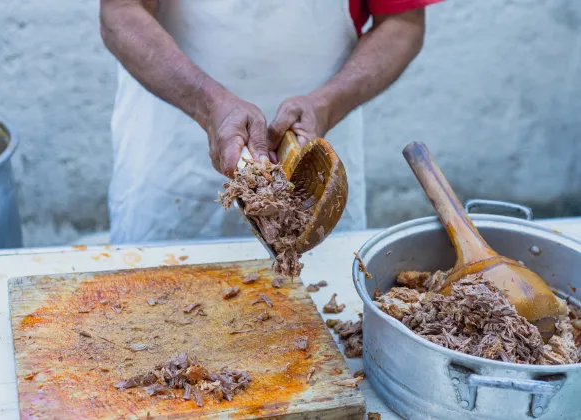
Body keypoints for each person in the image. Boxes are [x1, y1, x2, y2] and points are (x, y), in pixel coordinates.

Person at [100, 0, 441, 244]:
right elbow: (121, 12)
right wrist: (209, 105)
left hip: (313, 164)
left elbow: (402, 23)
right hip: (172, 154)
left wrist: (326, 105)